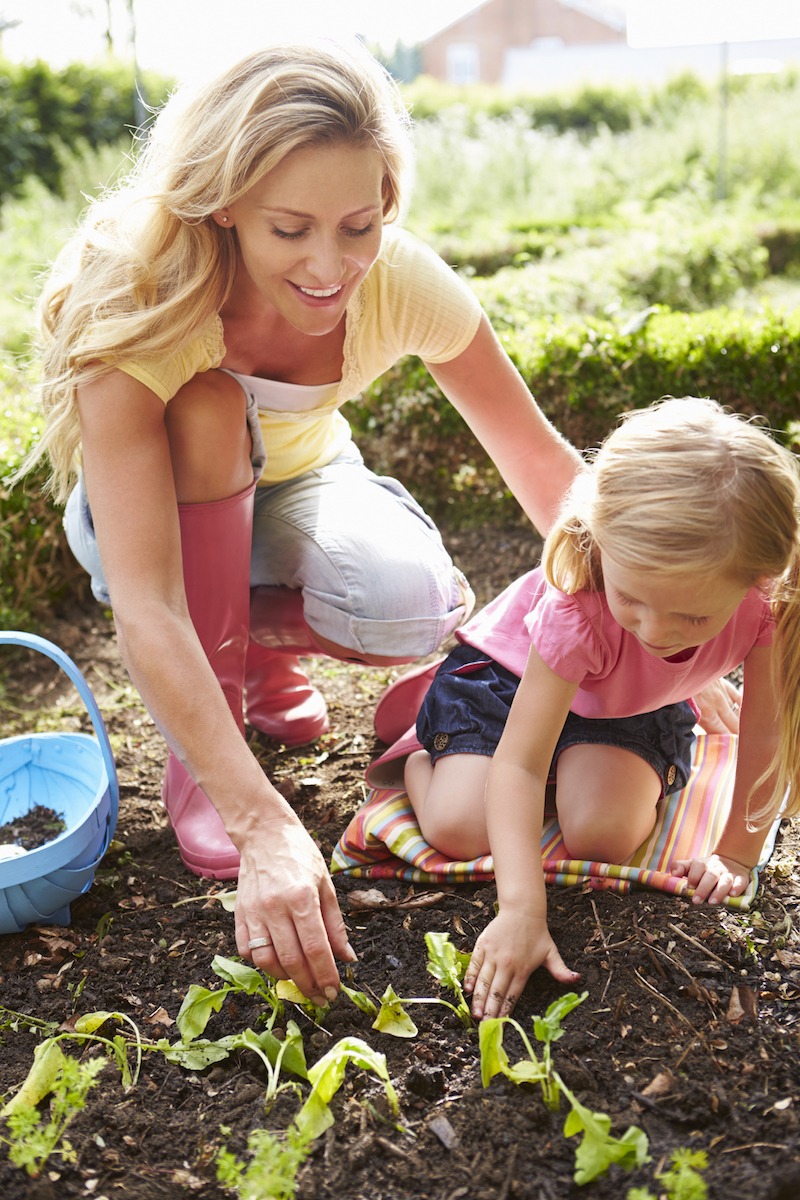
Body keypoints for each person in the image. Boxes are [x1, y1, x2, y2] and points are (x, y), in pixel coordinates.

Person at [17, 38, 590, 1008]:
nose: (331, 267)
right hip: (150, 522)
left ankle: (257, 664)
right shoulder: (137, 295)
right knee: (202, 412)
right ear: (223, 202)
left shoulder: (395, 282)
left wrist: (635, 625)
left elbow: (540, 465)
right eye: (289, 229)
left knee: (411, 604)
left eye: (358, 224)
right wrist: (261, 823)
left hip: (299, 486)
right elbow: (148, 606)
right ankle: (210, 761)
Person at [403, 396, 800, 1020]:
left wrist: (734, 855)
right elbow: (520, 764)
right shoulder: (578, 607)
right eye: (633, 597)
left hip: (624, 704)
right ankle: (420, 758)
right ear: (600, 546)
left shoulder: (768, 603)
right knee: (459, 828)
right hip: (507, 687)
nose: (656, 629)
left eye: (693, 616)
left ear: (758, 578)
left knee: (604, 835)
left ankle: (576, 768)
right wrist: (522, 911)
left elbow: (764, 741)